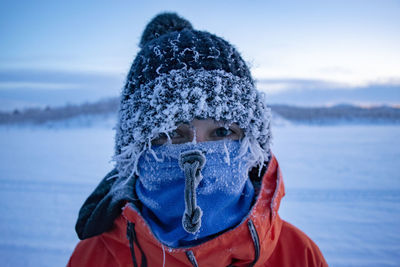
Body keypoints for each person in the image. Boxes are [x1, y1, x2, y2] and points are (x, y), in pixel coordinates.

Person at [68, 13, 328, 267]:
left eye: (222, 133)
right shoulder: (92, 258)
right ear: (133, 153)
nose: (198, 154)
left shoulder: (299, 256)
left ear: (253, 147)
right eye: (171, 134)